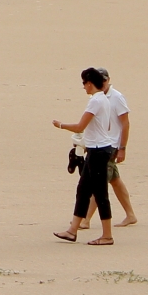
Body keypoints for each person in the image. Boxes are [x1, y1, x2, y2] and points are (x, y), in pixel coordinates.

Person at [52, 67, 119, 244]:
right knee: (83, 190)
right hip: (99, 148)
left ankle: (107, 235)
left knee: (100, 193)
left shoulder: (95, 101)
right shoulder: (104, 99)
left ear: (90, 83)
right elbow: (109, 126)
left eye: (84, 83)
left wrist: (61, 125)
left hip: (98, 150)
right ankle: (72, 230)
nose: (83, 87)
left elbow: (80, 126)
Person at [80, 69, 137, 228]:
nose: (102, 84)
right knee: (114, 180)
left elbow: (125, 123)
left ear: (108, 80)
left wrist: (122, 148)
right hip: (101, 144)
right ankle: (130, 214)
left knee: (98, 181)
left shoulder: (116, 97)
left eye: (104, 81)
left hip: (110, 146)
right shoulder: (98, 97)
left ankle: (86, 219)